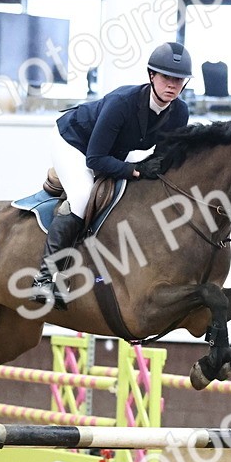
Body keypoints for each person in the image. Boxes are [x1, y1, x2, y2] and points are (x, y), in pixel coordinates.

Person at [30, 41, 192, 309]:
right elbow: (95, 159)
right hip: (74, 143)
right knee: (82, 197)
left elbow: (163, 157)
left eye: (179, 79)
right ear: (152, 75)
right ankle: (45, 278)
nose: (172, 85)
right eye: (166, 77)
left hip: (114, 150)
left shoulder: (179, 113)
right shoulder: (122, 102)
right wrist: (135, 169)